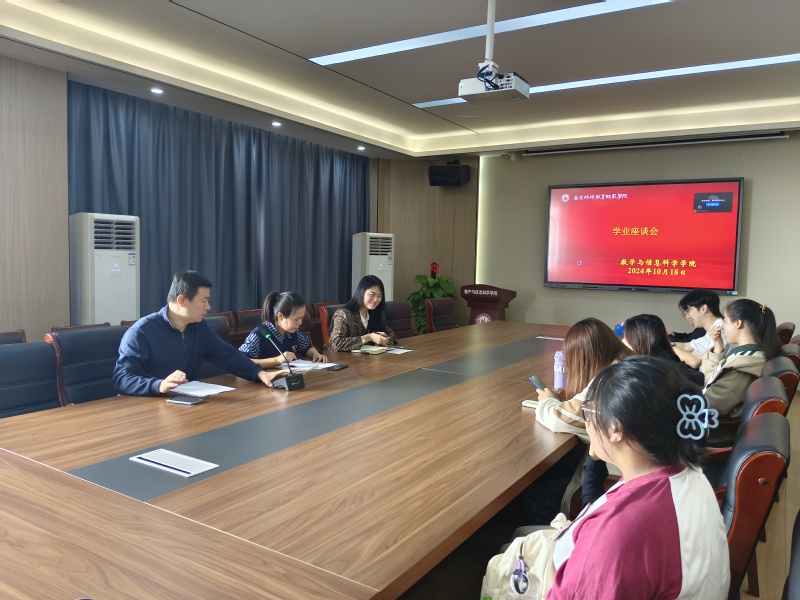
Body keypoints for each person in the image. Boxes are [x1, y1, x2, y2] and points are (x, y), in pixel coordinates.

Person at [548, 356, 730, 599]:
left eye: (589, 411)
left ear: (616, 428)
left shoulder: (623, 529)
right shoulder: (681, 472)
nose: (588, 422)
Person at [114, 270, 286, 396]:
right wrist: (159, 385)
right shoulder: (141, 332)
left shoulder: (199, 328)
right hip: (145, 408)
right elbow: (123, 379)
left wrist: (260, 373)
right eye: (204, 301)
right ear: (182, 300)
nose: (208, 307)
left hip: (184, 404)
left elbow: (227, 355)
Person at [525, 318, 630, 524]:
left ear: (584, 357)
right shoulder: (625, 363)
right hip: (627, 472)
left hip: (613, 480)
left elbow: (562, 419)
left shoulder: (610, 379)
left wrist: (546, 402)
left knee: (535, 496)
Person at [700, 299, 781, 439]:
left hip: (712, 431)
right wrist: (718, 345)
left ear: (738, 323)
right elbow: (712, 379)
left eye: (725, 322)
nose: (723, 327)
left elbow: (705, 404)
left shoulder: (742, 369)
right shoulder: (749, 354)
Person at [239, 291, 327, 368]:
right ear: (280, 316)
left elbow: (306, 348)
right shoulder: (259, 335)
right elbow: (240, 361)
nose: (300, 323)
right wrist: (276, 360)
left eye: (302, 318)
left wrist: (315, 353)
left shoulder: (292, 332)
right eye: (296, 319)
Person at [324, 275, 396, 352]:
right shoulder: (344, 314)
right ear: (361, 292)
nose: (375, 299)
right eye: (372, 295)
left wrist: (382, 340)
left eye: (379, 296)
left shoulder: (374, 314)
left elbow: (392, 335)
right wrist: (368, 337)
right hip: (338, 358)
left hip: (364, 358)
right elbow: (337, 344)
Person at [672, 289, 727, 368]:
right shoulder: (713, 329)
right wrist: (666, 343)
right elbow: (686, 346)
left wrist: (669, 347)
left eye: (688, 310)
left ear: (703, 309)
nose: (688, 316)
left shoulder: (719, 330)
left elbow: (694, 361)